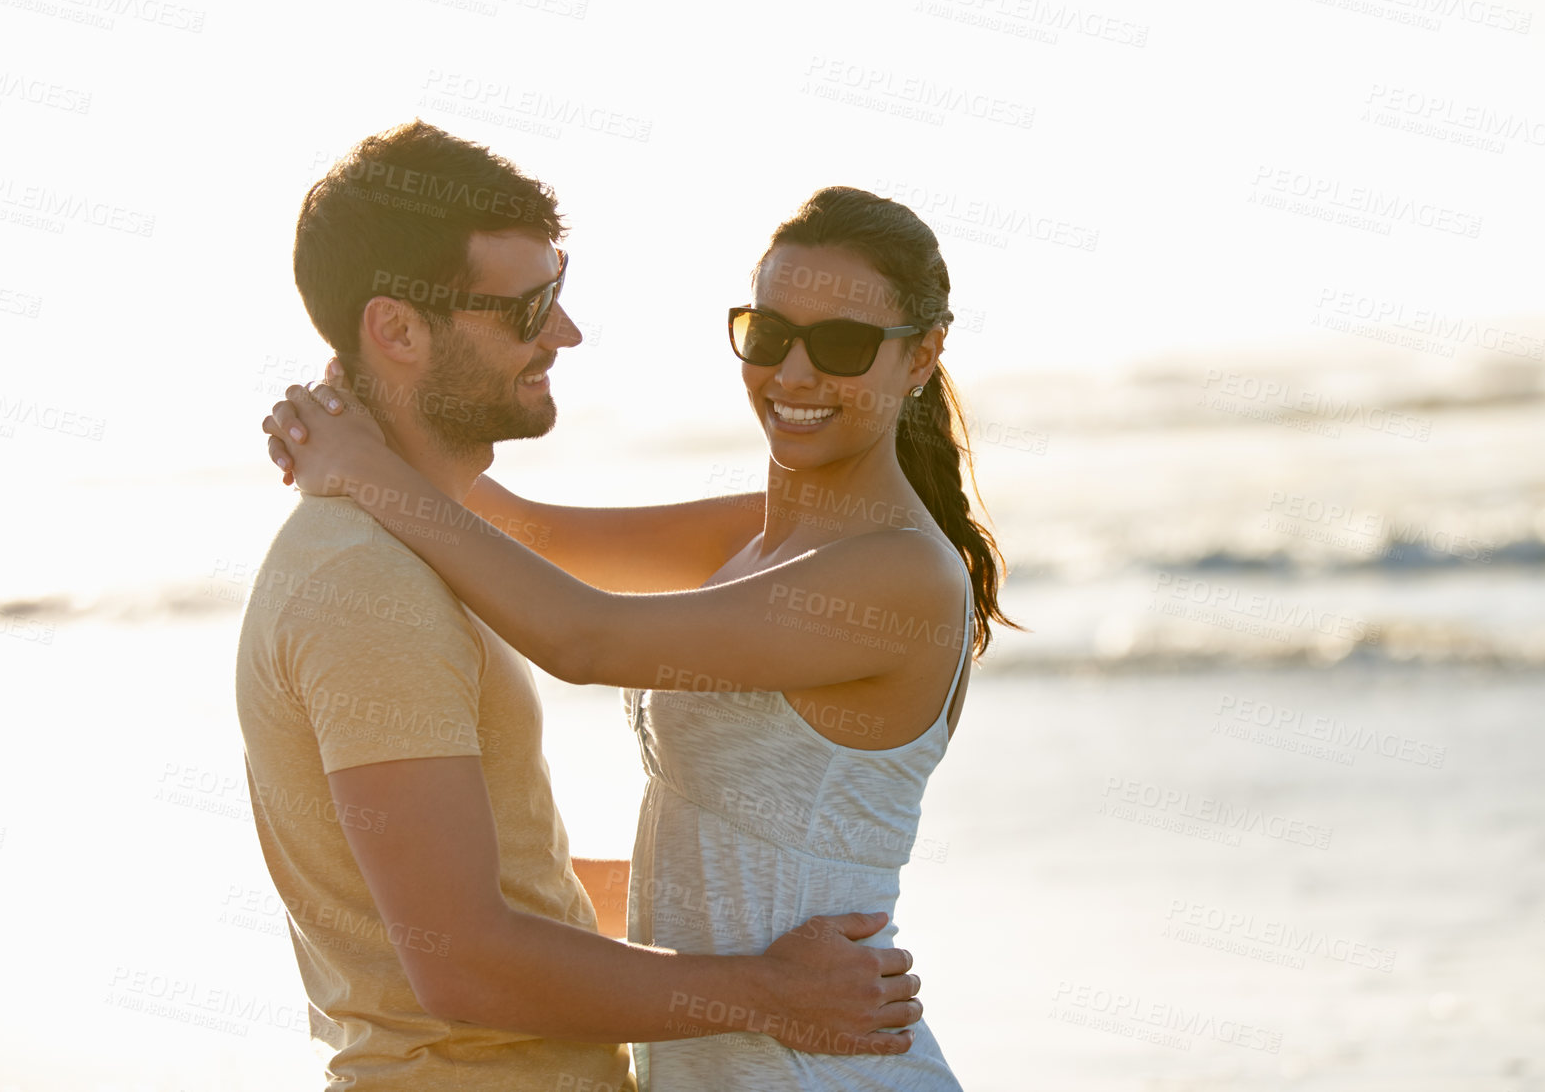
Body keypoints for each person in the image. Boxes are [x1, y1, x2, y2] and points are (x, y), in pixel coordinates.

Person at [263, 182, 1018, 1089]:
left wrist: (371, 475)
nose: (795, 374)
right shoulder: (761, 535)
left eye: (845, 345)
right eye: (770, 334)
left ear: (923, 355)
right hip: (724, 1052)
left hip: (817, 1065)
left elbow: (587, 638)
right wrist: (357, 415)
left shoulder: (898, 577)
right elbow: (523, 530)